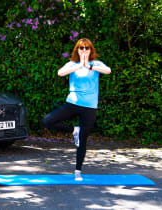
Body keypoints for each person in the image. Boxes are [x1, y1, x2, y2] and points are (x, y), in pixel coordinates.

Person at [42, 38, 111, 181]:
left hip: (90, 107)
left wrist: (89, 66)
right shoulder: (72, 64)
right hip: (73, 103)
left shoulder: (96, 64)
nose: (84, 50)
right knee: (47, 121)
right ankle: (74, 130)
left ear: (91, 50)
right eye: (81, 48)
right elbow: (60, 73)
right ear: (77, 50)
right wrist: (80, 66)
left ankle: (78, 171)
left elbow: (108, 71)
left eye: (87, 48)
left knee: (83, 140)